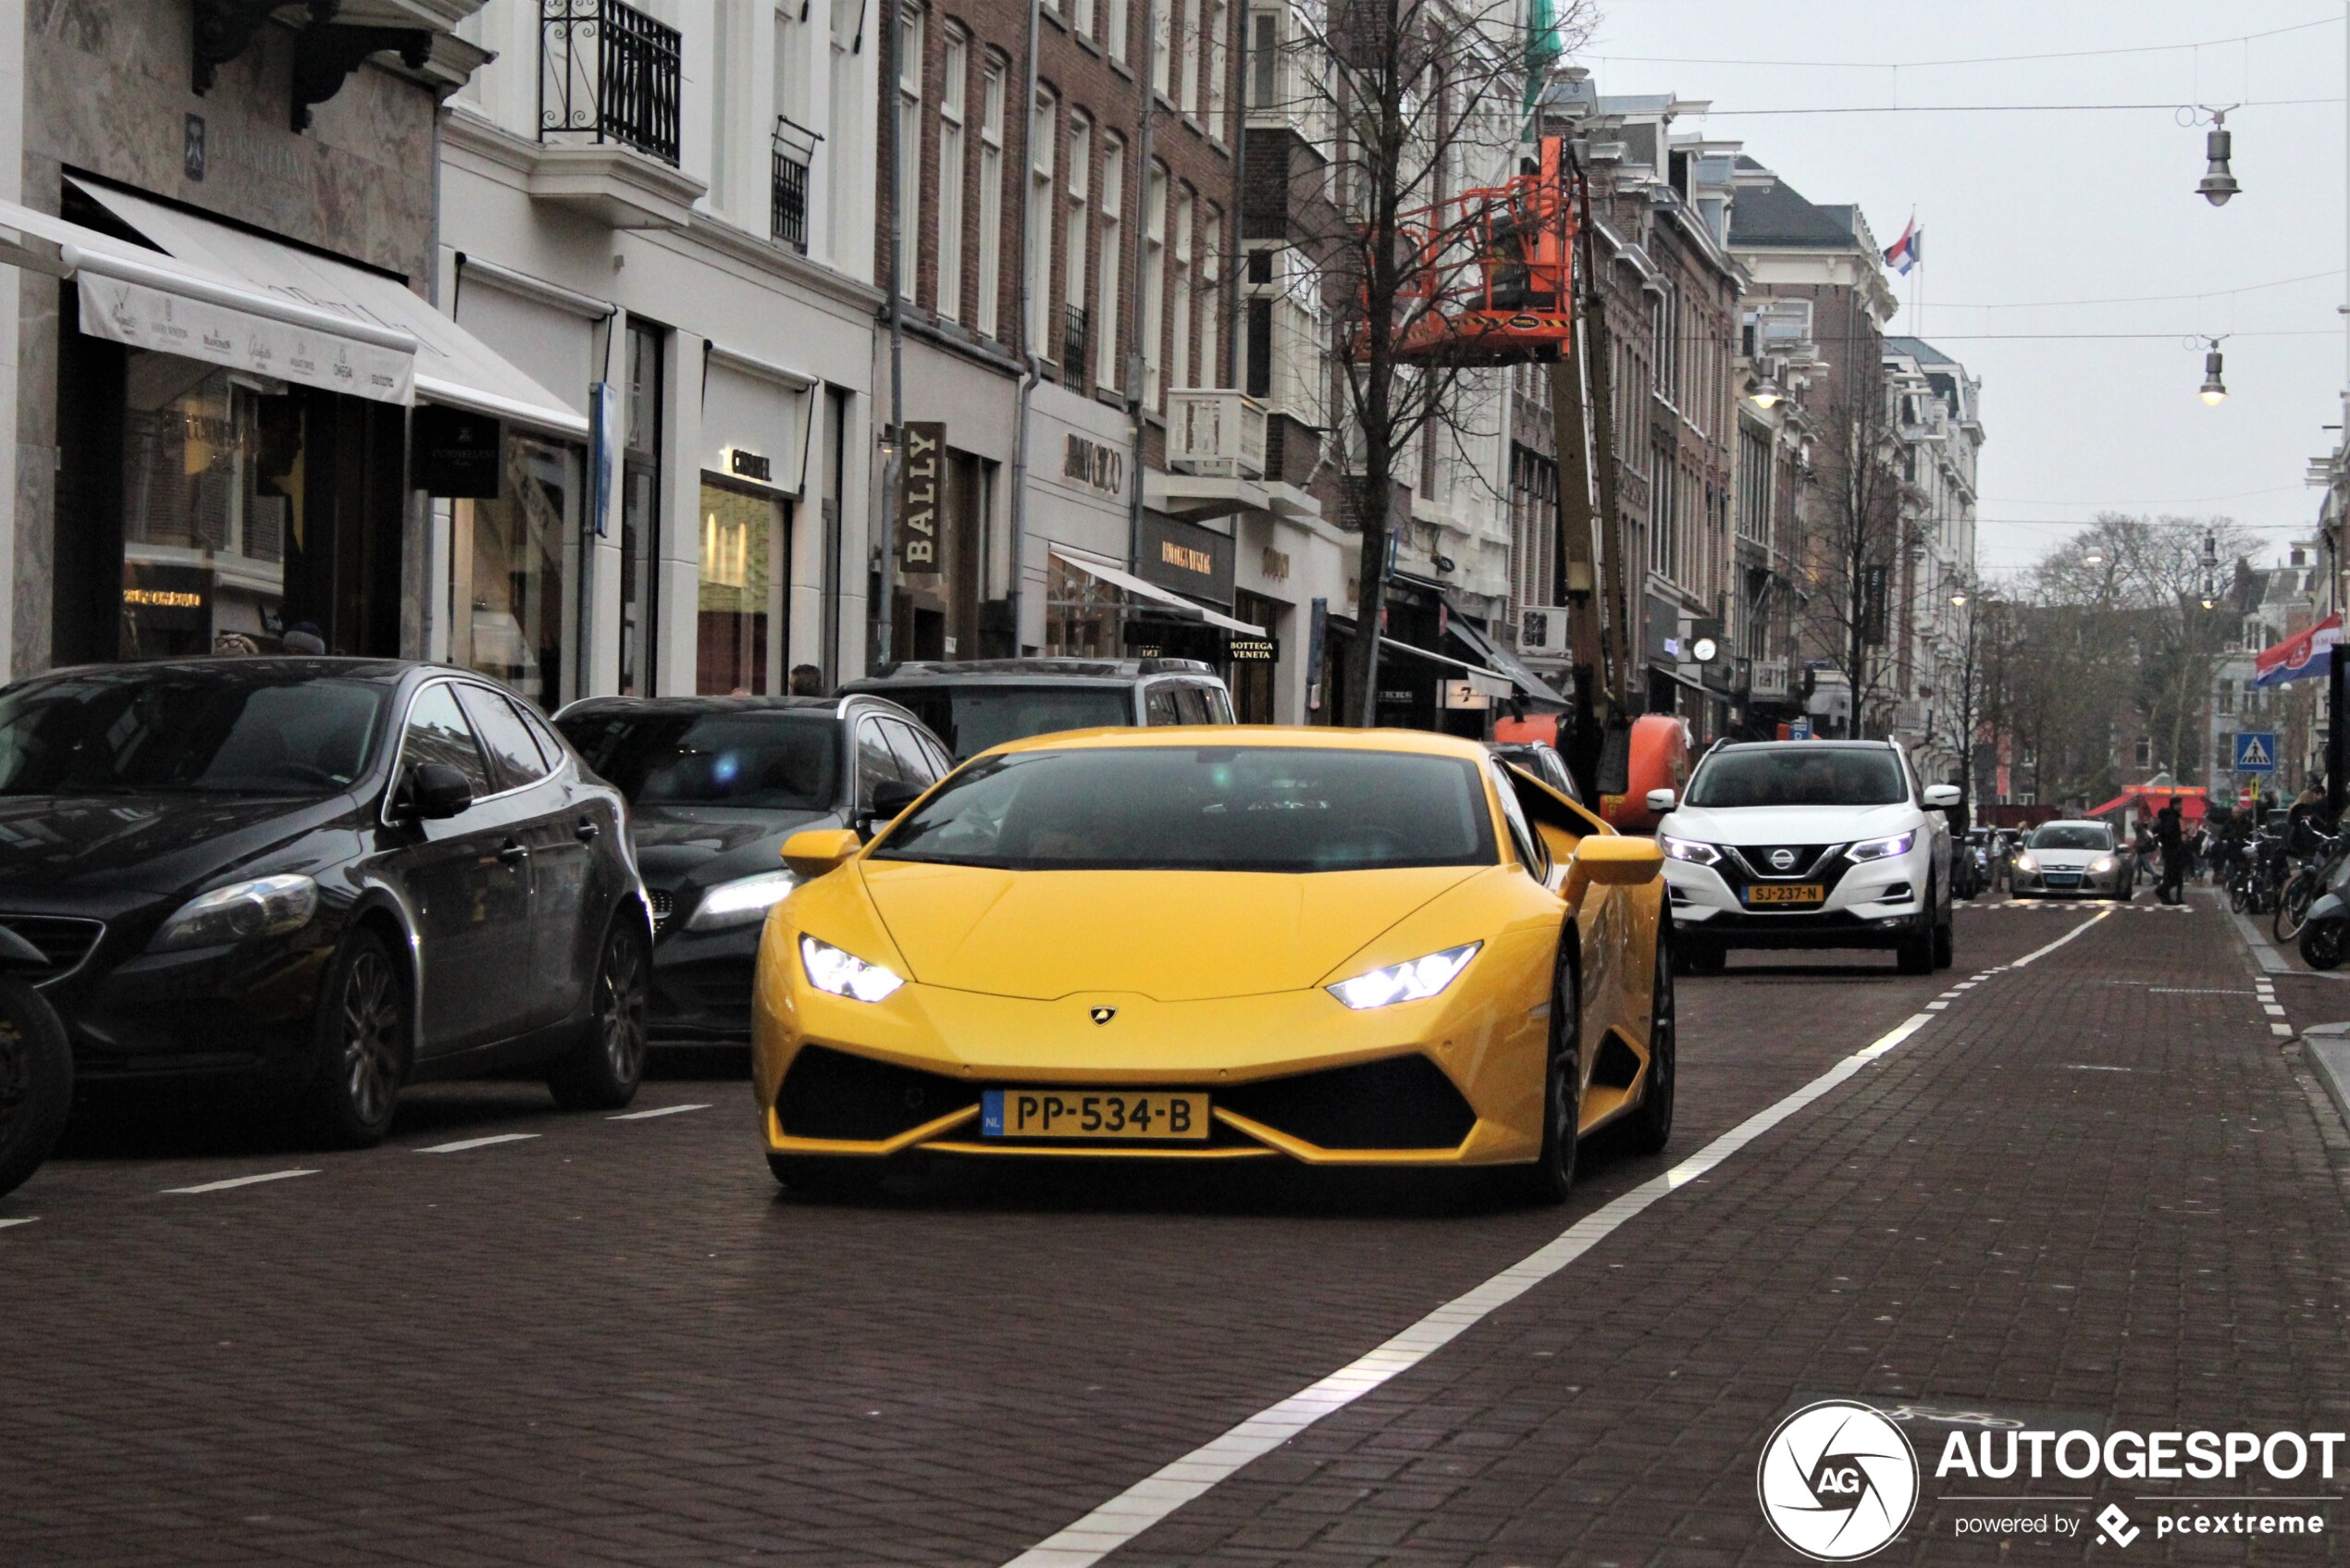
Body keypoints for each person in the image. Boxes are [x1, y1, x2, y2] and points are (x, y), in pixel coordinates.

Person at [2156, 799, 2186, 906]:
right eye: (2180, 804)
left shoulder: (2168, 817)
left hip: (2171, 850)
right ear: (2175, 805)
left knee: (2175, 875)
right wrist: (2176, 844)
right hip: (2172, 851)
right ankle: (2162, 891)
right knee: (2173, 875)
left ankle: (2173, 897)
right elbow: (2168, 834)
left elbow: (2158, 830)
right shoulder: (2171, 818)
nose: (2182, 807)